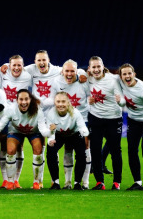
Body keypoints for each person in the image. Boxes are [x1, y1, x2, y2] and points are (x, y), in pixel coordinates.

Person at [43, 59, 91, 189]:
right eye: (67, 71)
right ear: (62, 72)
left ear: (76, 71)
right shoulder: (56, 83)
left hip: (79, 122)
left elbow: (89, 76)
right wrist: (51, 139)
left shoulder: (83, 79)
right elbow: (51, 128)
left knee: (84, 151)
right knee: (55, 151)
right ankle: (60, 182)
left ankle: (82, 183)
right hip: (60, 128)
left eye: (72, 71)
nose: (69, 73)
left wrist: (84, 132)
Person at [0, 89, 49, 190]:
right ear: (17, 100)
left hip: (34, 132)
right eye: (21, 99)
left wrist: (50, 132)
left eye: (26, 99)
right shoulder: (11, 109)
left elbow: (43, 130)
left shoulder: (37, 110)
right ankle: (10, 182)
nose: (24, 102)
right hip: (16, 132)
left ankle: (36, 182)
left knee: (38, 150)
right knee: (10, 150)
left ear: (30, 100)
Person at [118, 63, 143, 191]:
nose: (127, 76)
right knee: (132, 150)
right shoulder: (120, 84)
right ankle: (137, 182)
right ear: (121, 76)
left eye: (129, 73)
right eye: (124, 74)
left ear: (134, 74)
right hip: (133, 121)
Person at [87, 56, 125, 190]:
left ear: (103, 67)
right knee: (95, 150)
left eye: (98, 66)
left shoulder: (113, 79)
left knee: (116, 150)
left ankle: (116, 182)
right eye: (94, 67)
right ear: (89, 69)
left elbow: (123, 101)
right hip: (95, 118)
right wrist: (88, 101)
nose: (96, 69)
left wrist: (120, 101)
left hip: (113, 119)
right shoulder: (87, 79)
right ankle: (99, 182)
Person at [0, 55, 32, 189]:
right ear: (9, 65)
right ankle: (6, 179)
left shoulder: (28, 76)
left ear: (23, 66)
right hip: (5, 115)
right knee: (4, 146)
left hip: (20, 115)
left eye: (19, 65)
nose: (16, 68)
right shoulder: (2, 73)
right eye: (14, 65)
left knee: (19, 146)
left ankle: (15, 179)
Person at [46, 92, 89, 190]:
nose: (60, 104)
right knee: (50, 151)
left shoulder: (75, 112)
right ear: (55, 103)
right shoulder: (51, 114)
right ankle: (56, 182)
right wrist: (50, 141)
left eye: (63, 101)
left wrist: (84, 133)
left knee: (81, 154)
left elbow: (82, 126)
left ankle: (77, 183)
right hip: (59, 135)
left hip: (74, 134)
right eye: (58, 102)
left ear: (68, 103)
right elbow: (50, 132)